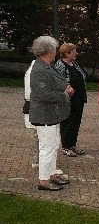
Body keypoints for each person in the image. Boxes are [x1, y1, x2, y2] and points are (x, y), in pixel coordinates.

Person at [29, 36, 72, 191]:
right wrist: (64, 95)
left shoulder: (48, 65)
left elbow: (56, 83)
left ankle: (52, 175)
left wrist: (65, 88)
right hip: (44, 115)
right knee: (46, 148)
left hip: (52, 115)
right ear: (48, 51)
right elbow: (43, 94)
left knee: (53, 146)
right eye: (54, 49)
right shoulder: (39, 69)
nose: (55, 52)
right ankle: (43, 181)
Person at [54, 43, 87, 157]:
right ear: (67, 53)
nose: (76, 53)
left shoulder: (75, 64)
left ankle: (72, 144)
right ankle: (66, 146)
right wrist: (66, 88)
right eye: (74, 51)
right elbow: (58, 82)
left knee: (76, 122)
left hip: (79, 98)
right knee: (67, 122)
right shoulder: (60, 65)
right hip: (68, 100)